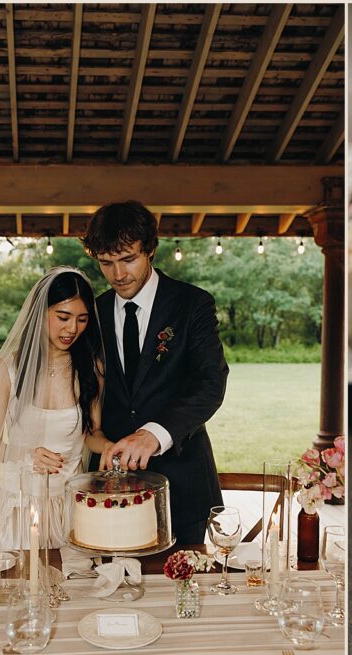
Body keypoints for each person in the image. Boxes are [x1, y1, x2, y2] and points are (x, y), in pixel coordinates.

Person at [82, 200, 229, 544]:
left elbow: (211, 384)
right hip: (110, 491)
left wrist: (153, 435)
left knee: (186, 591)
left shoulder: (193, 304)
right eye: (106, 263)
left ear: (150, 250)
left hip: (184, 485)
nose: (118, 274)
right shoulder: (94, 312)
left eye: (128, 259)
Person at [0, 266, 111, 549]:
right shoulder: (7, 370)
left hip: (71, 505)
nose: (72, 329)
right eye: (63, 317)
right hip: (20, 504)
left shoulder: (91, 369)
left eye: (82, 320)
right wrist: (27, 455)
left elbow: (92, 433)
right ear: (39, 312)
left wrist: (107, 446)